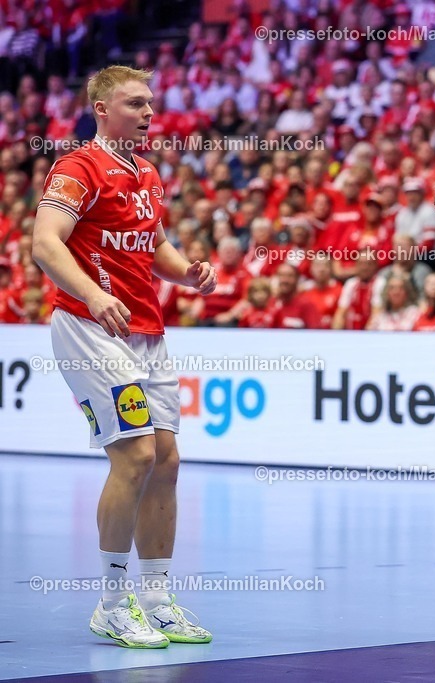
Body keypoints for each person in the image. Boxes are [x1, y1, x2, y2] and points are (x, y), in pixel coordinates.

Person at [32, 66, 215, 648]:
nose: (148, 113)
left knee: (166, 461)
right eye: (135, 104)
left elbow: (152, 242)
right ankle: (112, 603)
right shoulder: (78, 167)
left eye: (151, 104)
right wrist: (92, 292)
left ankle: (158, 600)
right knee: (135, 455)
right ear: (102, 108)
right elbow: (44, 243)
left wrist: (187, 274)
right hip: (90, 326)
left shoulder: (149, 173)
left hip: (146, 330)